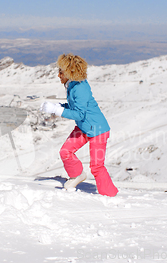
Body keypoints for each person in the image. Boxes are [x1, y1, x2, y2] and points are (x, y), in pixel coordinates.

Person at [40, 54, 118, 197]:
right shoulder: (73, 85)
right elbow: (74, 106)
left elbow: (79, 114)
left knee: (97, 167)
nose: (58, 75)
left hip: (98, 130)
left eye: (61, 72)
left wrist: (57, 110)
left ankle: (110, 196)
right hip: (83, 128)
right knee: (65, 152)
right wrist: (57, 106)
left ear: (70, 72)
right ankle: (77, 176)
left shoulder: (80, 88)